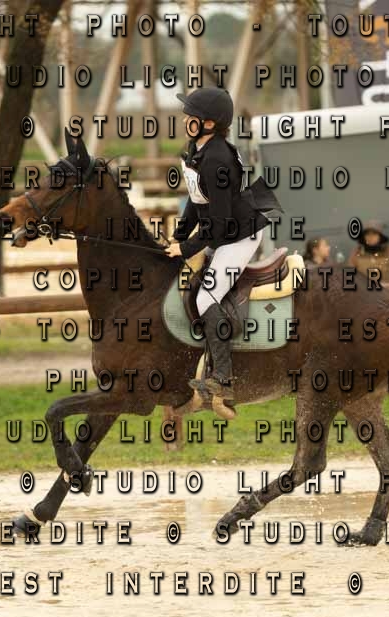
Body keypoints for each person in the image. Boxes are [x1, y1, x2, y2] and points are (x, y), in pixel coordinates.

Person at [164, 87, 275, 419]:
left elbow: (219, 224)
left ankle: (223, 379)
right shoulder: (197, 150)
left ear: (209, 123)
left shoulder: (217, 159)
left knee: (205, 298)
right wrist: (177, 238)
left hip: (239, 235)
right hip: (224, 230)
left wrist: (186, 247)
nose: (185, 119)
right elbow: (196, 202)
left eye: (191, 116)